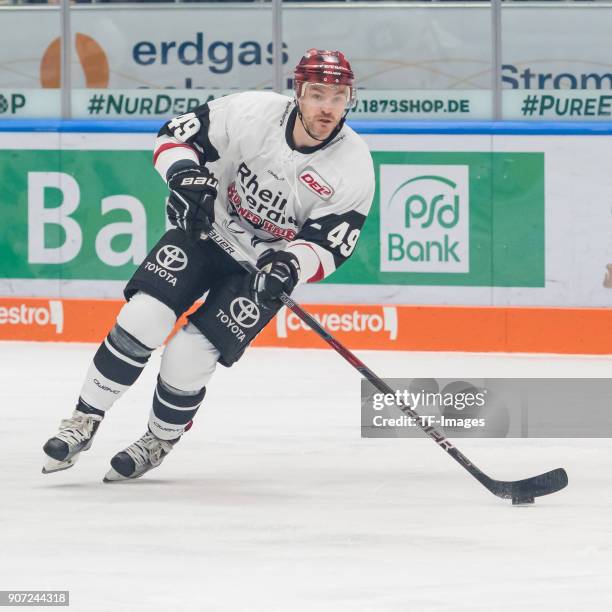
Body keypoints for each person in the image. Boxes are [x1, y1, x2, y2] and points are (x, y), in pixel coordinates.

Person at [42, 48, 375, 482]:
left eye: (338, 96)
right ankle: (84, 420)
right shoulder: (251, 112)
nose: (327, 107)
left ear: (350, 99)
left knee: (188, 355)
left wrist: (290, 266)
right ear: (298, 93)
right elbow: (173, 137)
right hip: (204, 229)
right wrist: (185, 175)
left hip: (259, 270)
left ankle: (159, 439)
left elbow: (330, 244)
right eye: (317, 94)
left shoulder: (354, 166)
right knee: (144, 316)